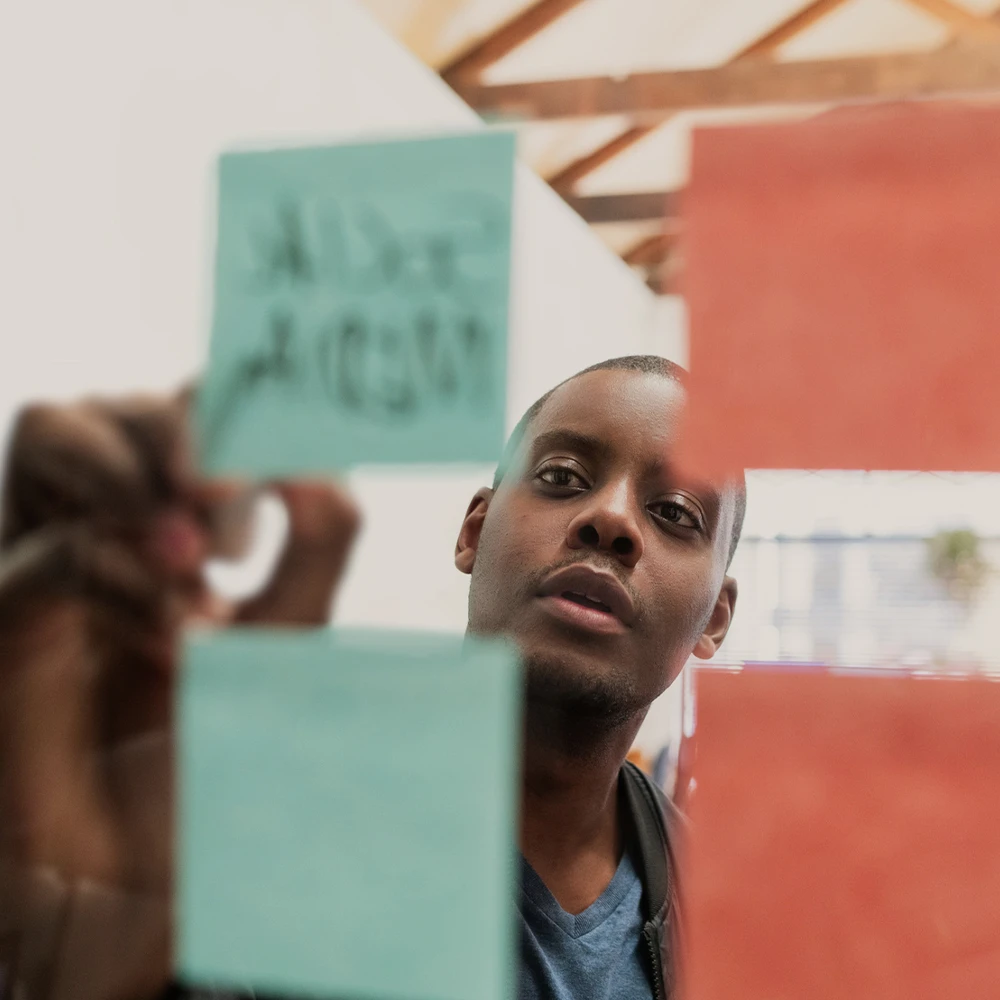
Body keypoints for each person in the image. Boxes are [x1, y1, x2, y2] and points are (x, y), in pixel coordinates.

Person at [0, 355, 743, 1000]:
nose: (609, 518)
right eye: (561, 476)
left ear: (716, 617)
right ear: (474, 532)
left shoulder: (717, 905)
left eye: (675, 512)